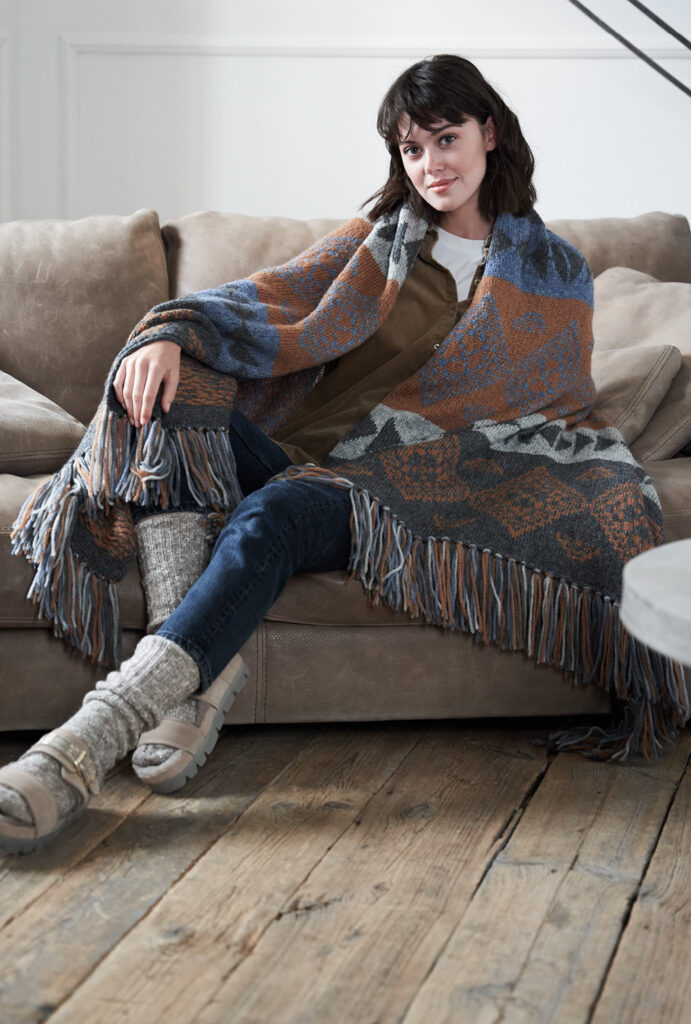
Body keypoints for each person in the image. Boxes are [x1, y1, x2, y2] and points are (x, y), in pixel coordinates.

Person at [1, 55, 685, 854]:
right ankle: (193, 683)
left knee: (279, 511)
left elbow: (545, 409)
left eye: (446, 139)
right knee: (172, 398)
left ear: (489, 134)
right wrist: (165, 335)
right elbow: (255, 302)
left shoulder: (554, 271)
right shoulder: (372, 245)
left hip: (390, 488)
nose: (430, 165)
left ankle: (78, 748)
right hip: (289, 452)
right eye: (411, 149)